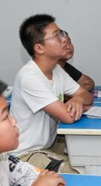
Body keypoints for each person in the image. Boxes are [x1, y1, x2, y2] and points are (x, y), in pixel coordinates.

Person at [10, 14, 92, 173]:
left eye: (62, 33)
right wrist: (78, 101)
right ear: (39, 48)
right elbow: (68, 117)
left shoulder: (56, 70)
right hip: (25, 155)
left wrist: (78, 100)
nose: (64, 39)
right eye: (56, 36)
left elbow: (86, 95)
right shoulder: (29, 77)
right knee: (78, 172)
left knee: (88, 159)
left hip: (47, 146)